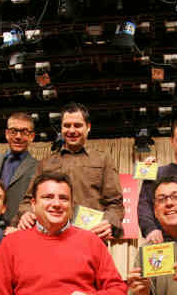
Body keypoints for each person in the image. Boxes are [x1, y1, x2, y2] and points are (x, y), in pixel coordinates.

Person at [17, 103, 123, 240]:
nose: (72, 130)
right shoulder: (46, 163)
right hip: (51, 239)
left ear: (88, 127)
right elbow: (28, 201)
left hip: (90, 238)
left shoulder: (103, 160)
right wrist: (26, 213)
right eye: (67, 125)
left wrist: (108, 222)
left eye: (77, 125)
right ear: (61, 128)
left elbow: (115, 204)